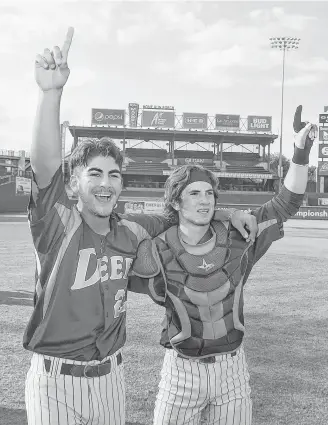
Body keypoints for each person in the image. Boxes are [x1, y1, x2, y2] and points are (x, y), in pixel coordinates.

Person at [25, 27, 258, 425]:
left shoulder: (131, 229)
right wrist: (51, 95)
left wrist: (226, 213)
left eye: (114, 175)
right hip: (55, 383)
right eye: (94, 174)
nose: (105, 183)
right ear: (74, 183)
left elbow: (180, 211)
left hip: (112, 378)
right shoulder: (57, 223)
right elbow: (45, 167)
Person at [129, 105, 316, 425]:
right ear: (176, 202)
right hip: (180, 372)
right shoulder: (157, 248)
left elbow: (286, 203)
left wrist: (299, 151)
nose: (204, 200)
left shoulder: (239, 235)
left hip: (232, 372)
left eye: (208, 193)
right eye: (193, 194)